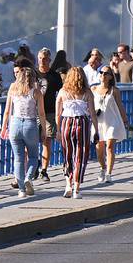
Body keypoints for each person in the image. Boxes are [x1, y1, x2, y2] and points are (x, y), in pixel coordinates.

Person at [2, 62, 45, 198]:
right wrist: (43, 129)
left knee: (19, 159)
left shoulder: (13, 88)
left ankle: (21, 189)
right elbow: (41, 113)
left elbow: (7, 110)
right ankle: (28, 178)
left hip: (14, 124)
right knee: (33, 156)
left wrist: (4, 127)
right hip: (30, 125)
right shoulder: (36, 92)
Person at [55, 68, 95, 199]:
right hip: (82, 123)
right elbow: (93, 113)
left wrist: (58, 130)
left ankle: (68, 184)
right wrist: (96, 129)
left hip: (66, 122)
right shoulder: (87, 93)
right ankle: (77, 188)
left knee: (67, 154)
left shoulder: (62, 92)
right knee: (80, 155)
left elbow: (58, 113)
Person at [93, 70, 130, 183]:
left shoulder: (115, 91)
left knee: (109, 146)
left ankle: (109, 173)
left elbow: (120, 106)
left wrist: (125, 120)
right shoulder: (93, 89)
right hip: (99, 122)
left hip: (112, 121)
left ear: (110, 77)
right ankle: (103, 167)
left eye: (106, 73)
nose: (103, 75)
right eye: (101, 72)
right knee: (99, 148)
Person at [37, 50, 63, 181]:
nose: (42, 61)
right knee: (31, 141)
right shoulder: (33, 74)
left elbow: (62, 92)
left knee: (47, 141)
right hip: (34, 112)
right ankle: (34, 164)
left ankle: (44, 170)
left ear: (49, 60)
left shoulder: (54, 76)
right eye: (40, 58)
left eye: (45, 59)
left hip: (50, 112)